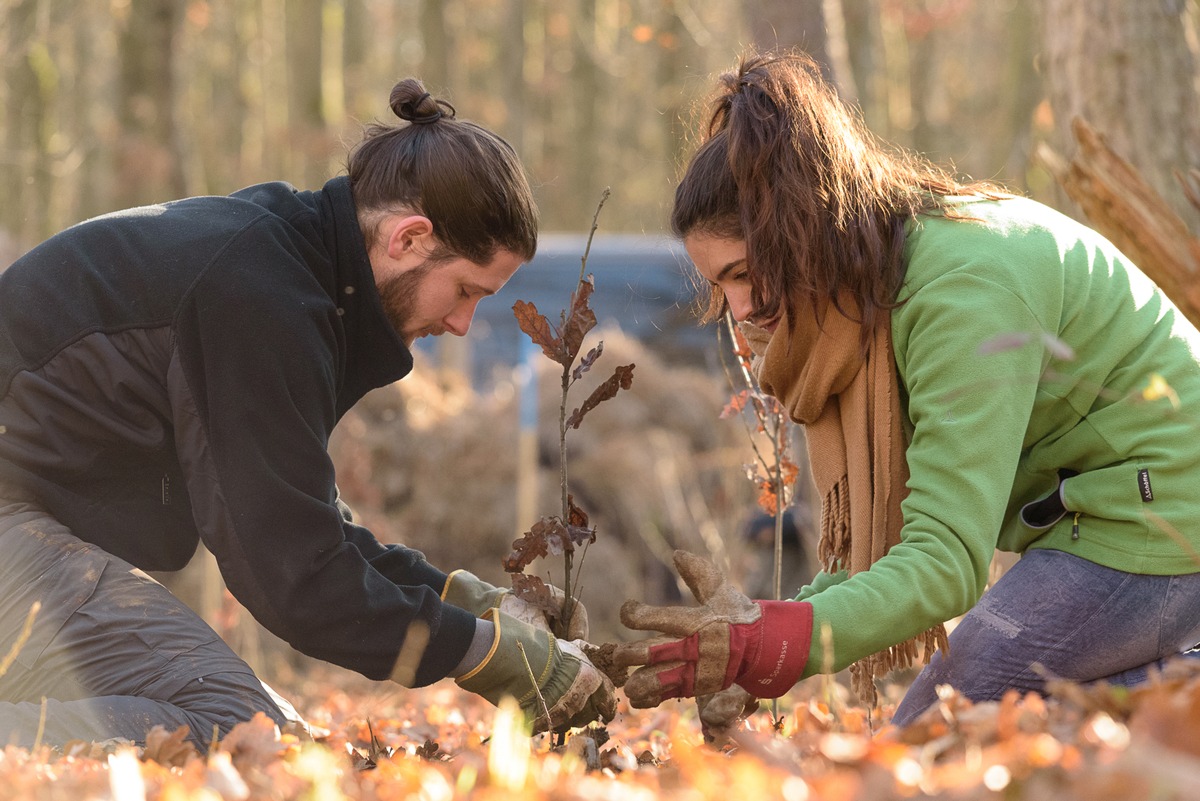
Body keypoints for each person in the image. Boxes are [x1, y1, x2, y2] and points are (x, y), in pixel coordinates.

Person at [0, 79, 614, 749]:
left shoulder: (282, 267)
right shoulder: (258, 296)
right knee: (237, 724)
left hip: (24, 526)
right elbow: (297, 578)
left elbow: (301, 523)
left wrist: (470, 606)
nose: (464, 323)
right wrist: (486, 655)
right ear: (408, 238)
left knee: (258, 725)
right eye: (465, 289)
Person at [609, 51, 1200, 732]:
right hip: (1102, 517)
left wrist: (784, 644)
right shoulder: (874, 285)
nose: (737, 308)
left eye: (743, 273)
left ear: (798, 230)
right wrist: (761, 630)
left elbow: (945, 563)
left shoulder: (962, 291)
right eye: (719, 287)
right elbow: (894, 555)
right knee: (966, 723)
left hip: (1162, 516)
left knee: (934, 732)